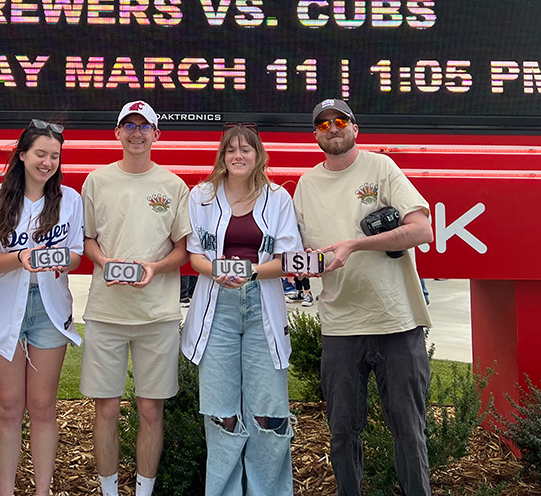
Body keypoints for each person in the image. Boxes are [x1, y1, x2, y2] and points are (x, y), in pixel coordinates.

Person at [294, 98, 435, 496]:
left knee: (409, 430)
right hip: (341, 325)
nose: (332, 128)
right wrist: (302, 265)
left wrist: (355, 244)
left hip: (396, 321)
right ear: (315, 135)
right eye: (323, 124)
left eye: (340, 120)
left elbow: (422, 230)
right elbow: (302, 255)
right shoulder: (306, 185)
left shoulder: (381, 167)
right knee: (341, 433)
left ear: (355, 128)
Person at [181, 124, 302, 496]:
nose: (238, 155)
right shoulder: (201, 195)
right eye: (231, 149)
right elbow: (194, 255)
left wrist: (249, 272)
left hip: (261, 305)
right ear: (222, 155)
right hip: (216, 308)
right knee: (223, 415)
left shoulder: (278, 197)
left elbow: (288, 259)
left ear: (258, 155)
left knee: (269, 414)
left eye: (246, 149)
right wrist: (218, 272)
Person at [81, 100, 192, 496]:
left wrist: (154, 268)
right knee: (106, 409)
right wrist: (104, 261)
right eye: (128, 125)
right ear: (117, 133)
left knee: (150, 409)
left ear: (157, 135)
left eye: (144, 127)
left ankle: (144, 491)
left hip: (157, 315)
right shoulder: (96, 181)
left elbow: (183, 250)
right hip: (107, 312)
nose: (136, 132)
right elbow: (87, 240)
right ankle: (109, 491)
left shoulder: (173, 186)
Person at [0, 120, 84, 496]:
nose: (48, 162)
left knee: (43, 406)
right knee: (8, 407)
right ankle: (6, 491)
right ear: (22, 154)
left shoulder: (70, 199)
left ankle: (43, 491)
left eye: (55, 156)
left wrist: (62, 260)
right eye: (41, 153)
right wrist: (21, 257)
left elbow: (75, 254)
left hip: (49, 309)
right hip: (6, 306)